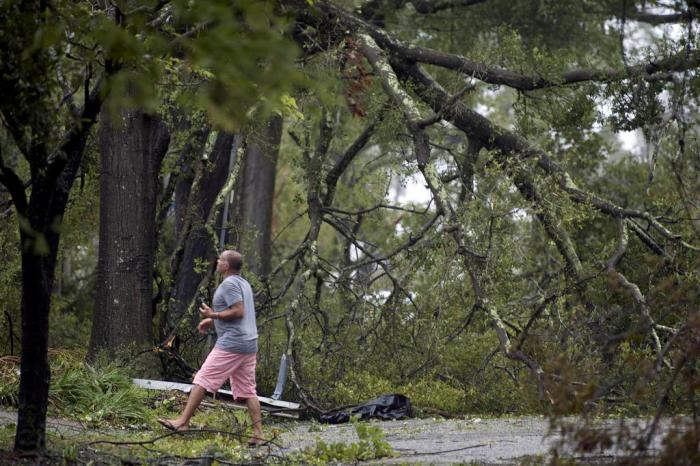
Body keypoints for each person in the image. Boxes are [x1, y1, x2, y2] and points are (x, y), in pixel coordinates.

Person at [158, 250, 264, 446]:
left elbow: (238, 312)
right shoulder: (244, 284)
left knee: (202, 378)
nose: (217, 261)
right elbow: (237, 315)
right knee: (248, 390)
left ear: (228, 266)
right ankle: (258, 434)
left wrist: (213, 315)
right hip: (249, 343)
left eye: (221, 259)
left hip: (233, 343)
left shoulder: (230, 283)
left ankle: (182, 422)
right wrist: (212, 320)